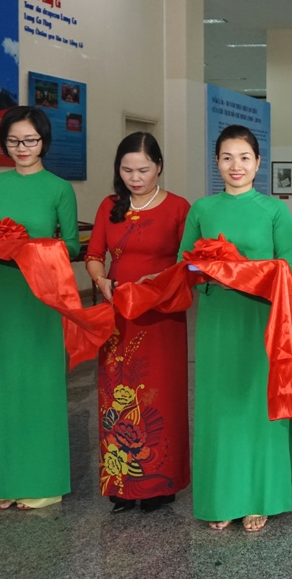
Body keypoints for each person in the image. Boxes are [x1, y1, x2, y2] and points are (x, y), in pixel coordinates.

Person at [178, 124, 292, 532]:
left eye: (244, 157)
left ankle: (259, 497)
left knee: (256, 407)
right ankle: (222, 498)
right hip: (217, 321)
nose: (236, 166)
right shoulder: (202, 210)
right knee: (220, 408)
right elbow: (184, 267)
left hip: (261, 321)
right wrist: (207, 269)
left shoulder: (275, 211)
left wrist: (242, 271)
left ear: (258, 162)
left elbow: (288, 268)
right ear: (216, 162)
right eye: (227, 157)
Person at [0, 106, 80, 509]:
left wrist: (30, 248)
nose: (21, 148)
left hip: (40, 295)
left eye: (29, 140)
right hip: (2, 292)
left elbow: (74, 247)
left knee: (38, 385)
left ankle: (39, 480)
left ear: (43, 141)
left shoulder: (58, 188)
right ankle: (2, 479)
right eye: (13, 141)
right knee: (0, 382)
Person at [85, 132, 191, 513]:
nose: (135, 177)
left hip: (161, 315)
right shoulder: (109, 206)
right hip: (118, 312)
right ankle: (121, 482)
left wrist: (158, 285)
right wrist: (102, 281)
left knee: (160, 392)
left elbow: (187, 263)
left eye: (143, 169)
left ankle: (161, 482)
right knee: (116, 394)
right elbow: (94, 254)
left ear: (159, 167)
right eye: (127, 169)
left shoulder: (179, 207)